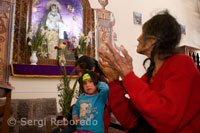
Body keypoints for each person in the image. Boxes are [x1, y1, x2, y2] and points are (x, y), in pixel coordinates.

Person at [98, 10, 200, 132]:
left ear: (152, 41)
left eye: (142, 33)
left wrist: (127, 75)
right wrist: (114, 81)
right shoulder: (149, 76)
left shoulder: (183, 63)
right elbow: (129, 120)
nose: (138, 38)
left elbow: (167, 120)